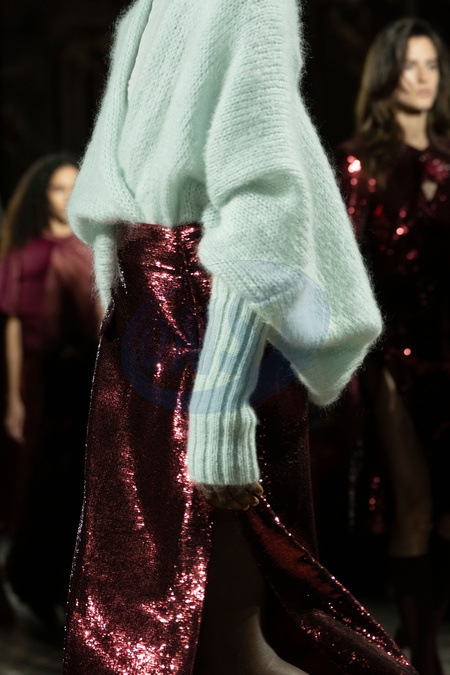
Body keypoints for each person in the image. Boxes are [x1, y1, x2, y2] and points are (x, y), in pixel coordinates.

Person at [63, 1, 417, 673]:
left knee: (229, 642)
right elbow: (116, 197)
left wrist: (223, 403)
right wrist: (120, 312)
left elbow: (262, 203)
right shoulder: (141, 16)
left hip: (212, 332)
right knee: (142, 633)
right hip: (146, 344)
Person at [337, 18, 450, 675]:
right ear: (387, 75)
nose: (423, 77)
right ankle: (426, 660)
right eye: (410, 65)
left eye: (432, 64)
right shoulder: (361, 161)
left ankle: (423, 626)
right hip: (394, 352)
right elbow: (344, 265)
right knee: (413, 501)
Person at [0, 154, 100, 625]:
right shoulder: (28, 252)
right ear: (43, 195)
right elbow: (14, 326)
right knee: (41, 473)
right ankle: (37, 581)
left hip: (86, 372)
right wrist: (14, 396)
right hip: (43, 375)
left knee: (77, 476)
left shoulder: (92, 245)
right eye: (59, 188)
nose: (67, 198)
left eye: (74, 188)